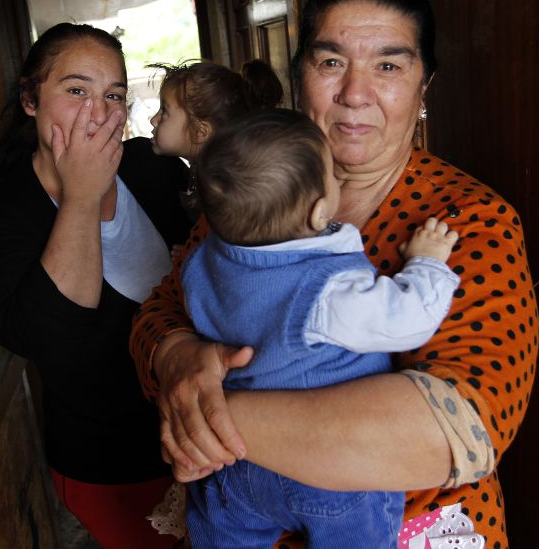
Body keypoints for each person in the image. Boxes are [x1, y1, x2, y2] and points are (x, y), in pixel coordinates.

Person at [130, 0, 539, 549]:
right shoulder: (253, 200)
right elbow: (158, 314)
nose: (354, 93)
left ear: (425, 88)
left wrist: (209, 418)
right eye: (330, 63)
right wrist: (177, 354)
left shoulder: (466, 222)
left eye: (389, 66)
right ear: (300, 78)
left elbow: (457, 429)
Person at [0, 23, 191, 549]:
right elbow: (52, 339)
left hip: (214, 439)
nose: (98, 112)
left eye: (114, 95)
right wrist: (81, 196)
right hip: (115, 467)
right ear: (30, 100)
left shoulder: (155, 171)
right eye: (76, 90)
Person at [181, 110, 460, 548]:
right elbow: (408, 321)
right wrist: (427, 262)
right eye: (330, 173)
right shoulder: (327, 289)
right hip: (333, 477)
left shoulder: (202, 265)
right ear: (318, 211)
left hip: (239, 468)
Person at [147, 60, 282, 218]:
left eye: (164, 112)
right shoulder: (201, 175)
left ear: (200, 132)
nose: (153, 120)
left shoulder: (221, 190)